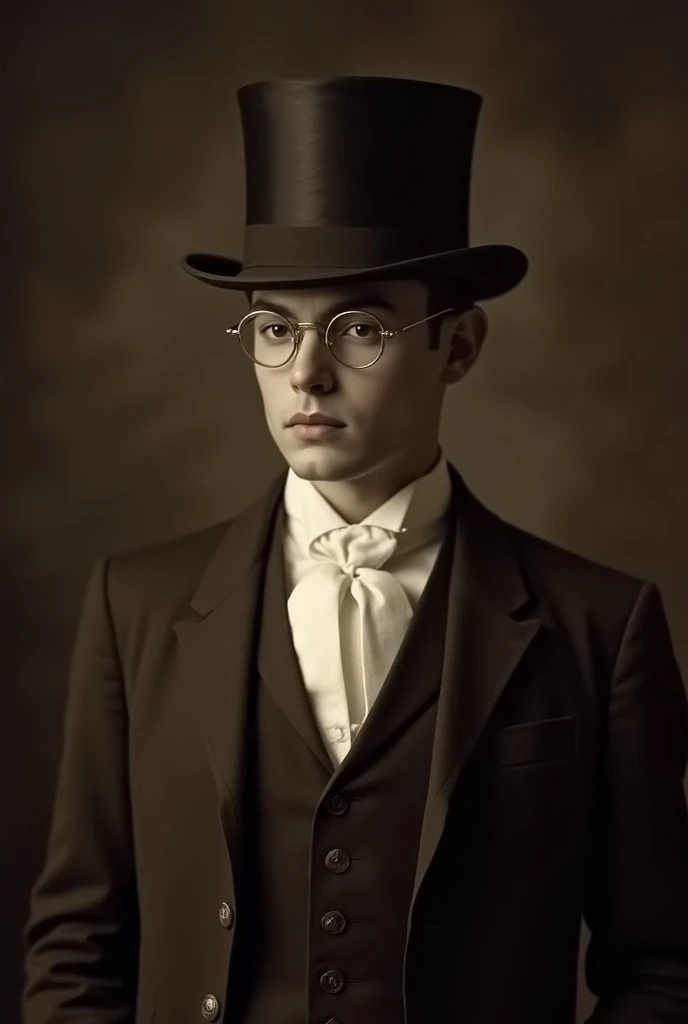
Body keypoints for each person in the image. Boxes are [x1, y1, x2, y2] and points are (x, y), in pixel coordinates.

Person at [22, 76, 688, 1024]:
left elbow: (664, 966)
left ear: (459, 347)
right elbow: (78, 945)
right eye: (273, 328)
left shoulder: (601, 625)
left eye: (362, 327)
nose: (306, 371)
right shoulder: (134, 604)